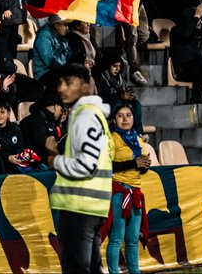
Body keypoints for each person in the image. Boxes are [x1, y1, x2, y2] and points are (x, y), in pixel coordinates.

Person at [47, 63, 112, 274]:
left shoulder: (84, 117)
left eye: (69, 83)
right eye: (60, 83)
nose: (62, 88)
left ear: (85, 88)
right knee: (93, 268)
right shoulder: (93, 115)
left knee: (76, 269)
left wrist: (54, 161)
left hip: (79, 207)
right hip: (93, 205)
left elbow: (86, 165)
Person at [106, 102, 150, 274]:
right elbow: (107, 166)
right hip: (119, 190)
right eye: (120, 116)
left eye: (128, 115)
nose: (125, 119)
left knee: (132, 239)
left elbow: (140, 169)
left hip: (136, 190)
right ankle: (113, 271)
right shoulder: (111, 138)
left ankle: (135, 271)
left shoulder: (138, 139)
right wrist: (135, 162)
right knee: (117, 238)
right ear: (114, 120)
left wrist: (144, 166)